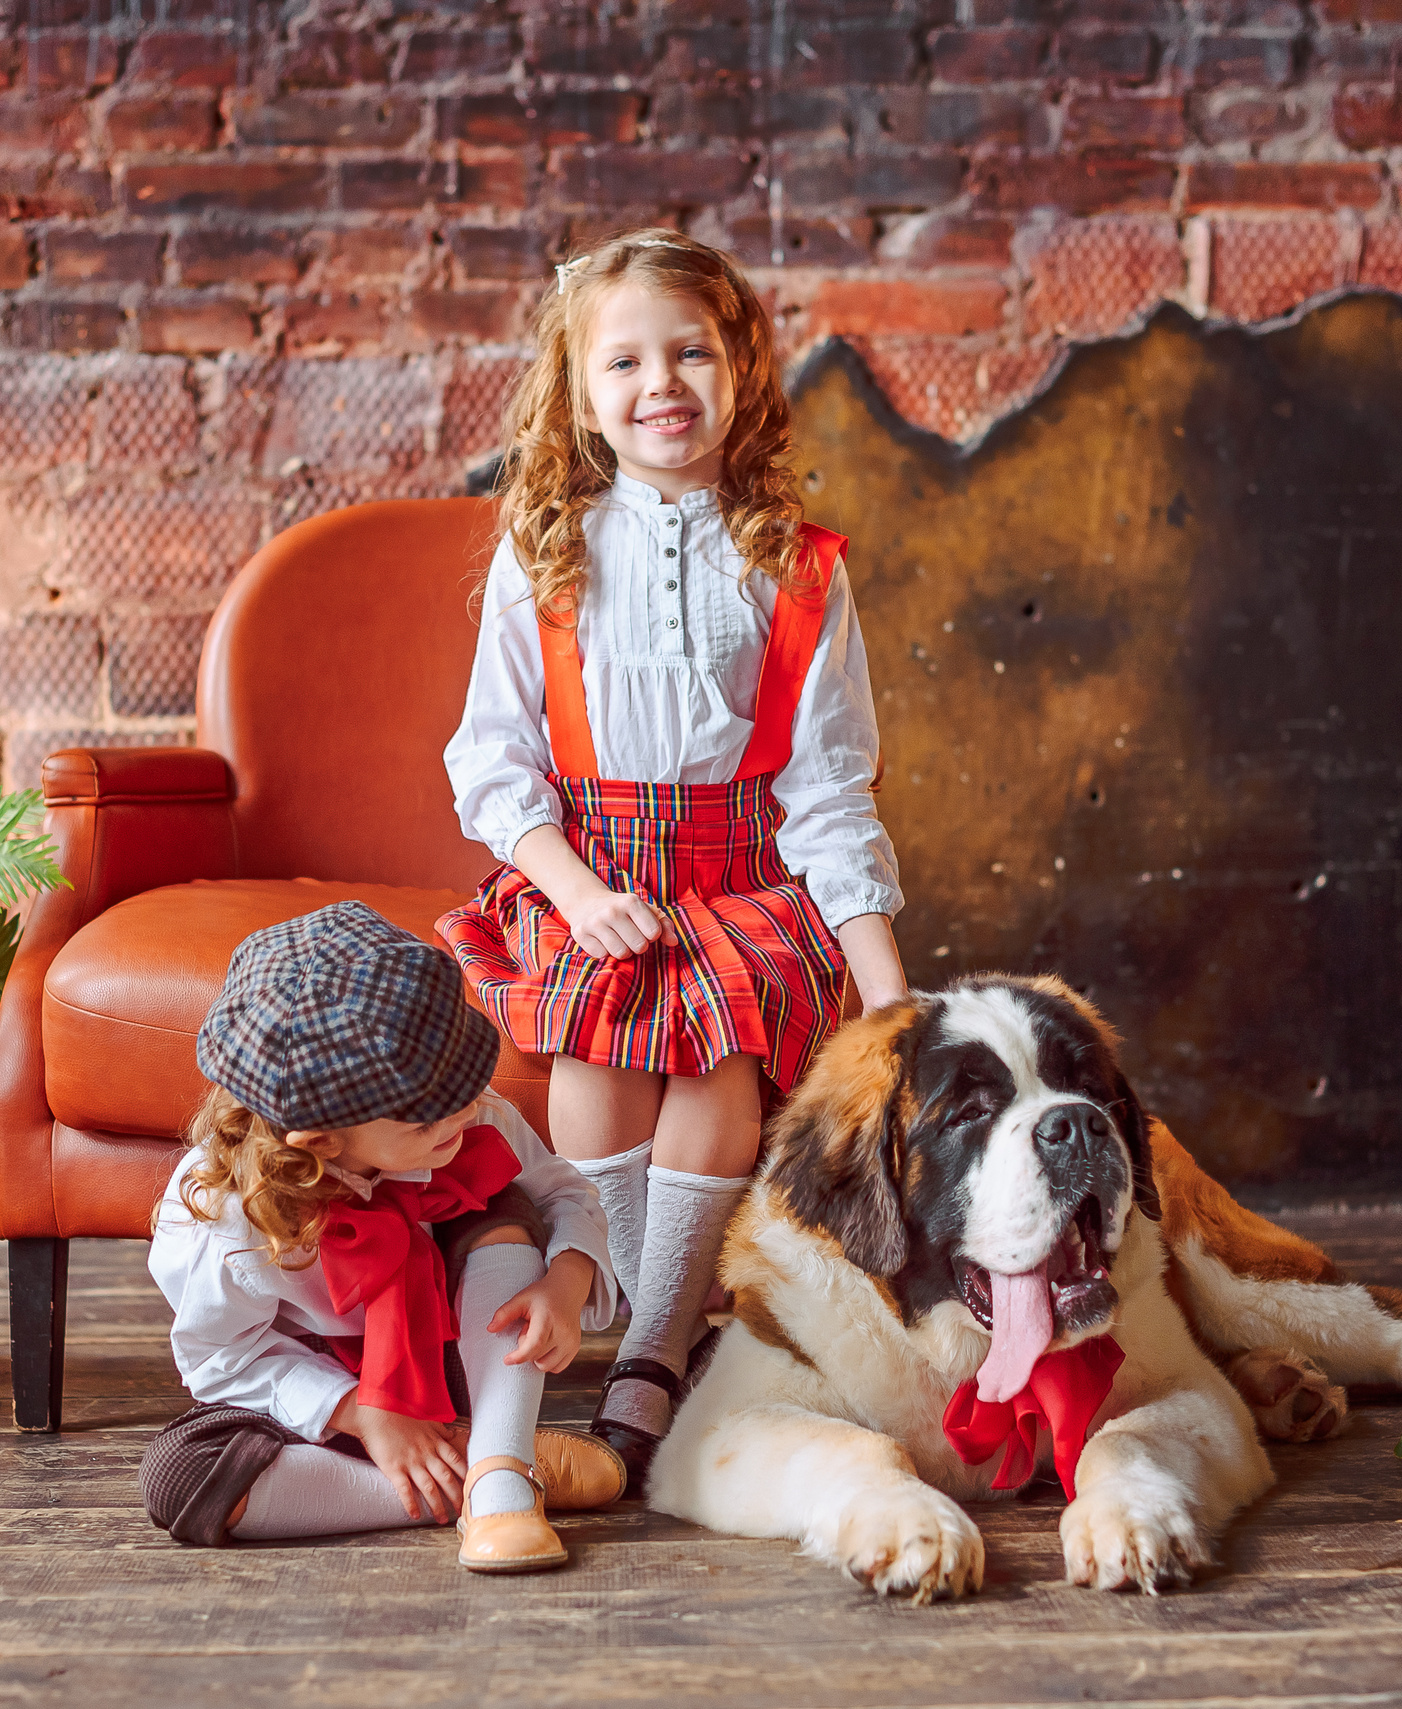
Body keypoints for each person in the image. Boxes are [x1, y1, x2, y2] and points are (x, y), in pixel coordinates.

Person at [439, 228, 910, 1492]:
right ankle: (638, 1315)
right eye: (625, 361)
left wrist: (886, 992)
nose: (662, 383)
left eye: (692, 351)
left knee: (718, 1059)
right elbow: (492, 763)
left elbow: (827, 793)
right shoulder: (543, 554)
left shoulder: (796, 568)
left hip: (742, 876)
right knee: (601, 1049)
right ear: (579, 394)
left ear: (741, 369)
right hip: (587, 873)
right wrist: (578, 894)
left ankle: (649, 1349)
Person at [139, 901, 627, 1573]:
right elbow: (222, 1361)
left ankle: (502, 1476)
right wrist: (364, 1415)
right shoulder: (224, 1221)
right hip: (329, 1407)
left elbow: (566, 1193)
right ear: (321, 1140)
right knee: (180, 1476)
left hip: (460, 1357)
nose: (468, 1106)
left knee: (503, 1198)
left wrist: (566, 1278)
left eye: (467, 1077)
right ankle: (484, 1466)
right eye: (429, 1119)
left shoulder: (467, 1111)